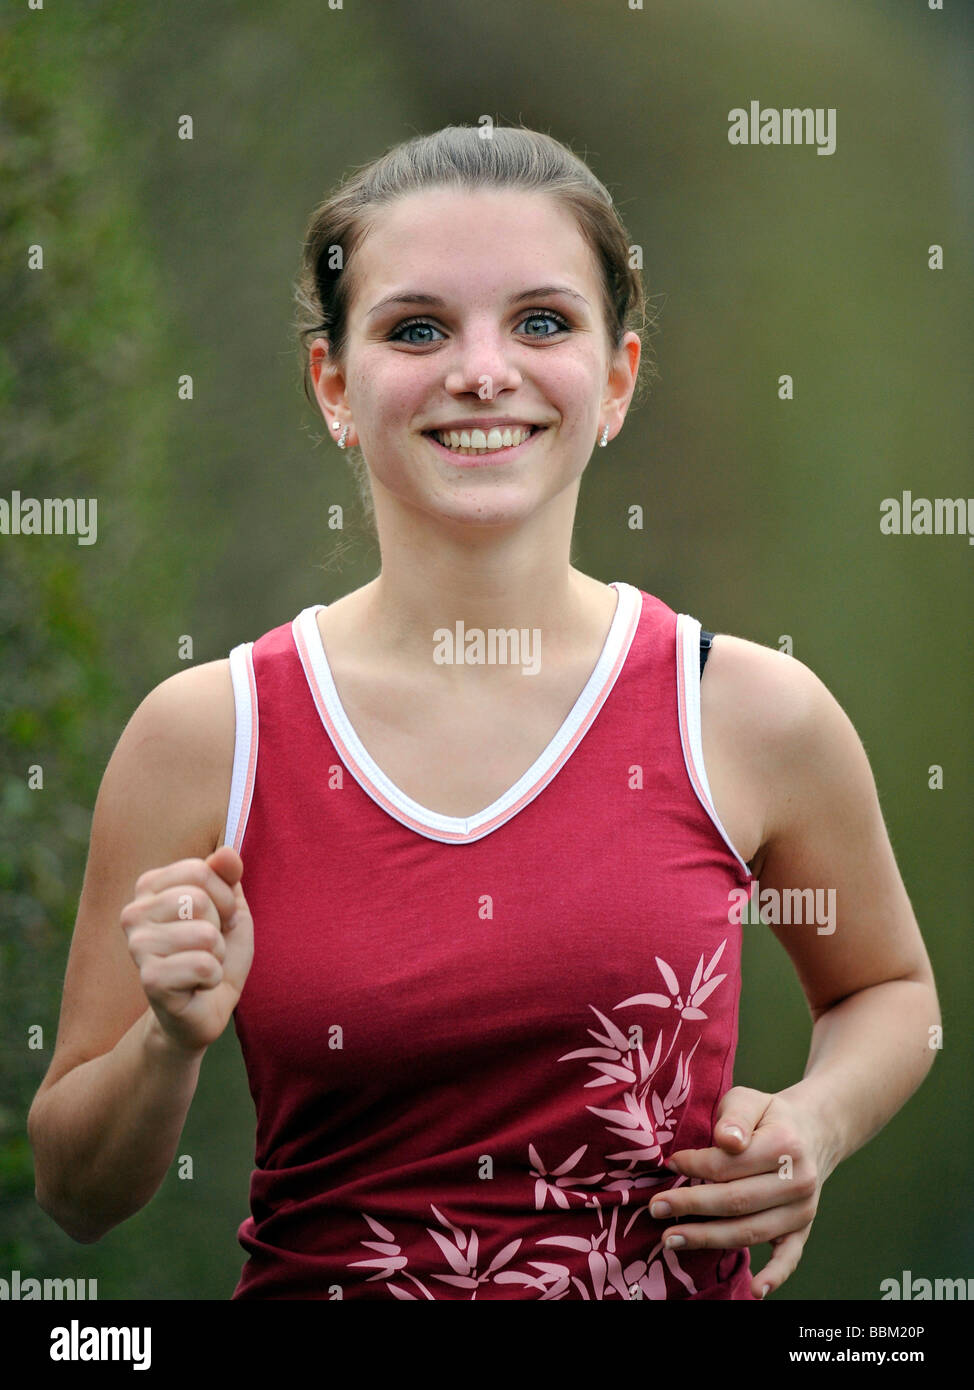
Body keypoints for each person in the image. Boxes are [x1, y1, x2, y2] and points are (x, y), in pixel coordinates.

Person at [27, 124, 939, 1301]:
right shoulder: (210, 734)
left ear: (616, 379)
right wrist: (168, 1040)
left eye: (541, 322)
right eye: (416, 329)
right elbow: (74, 1192)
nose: (481, 371)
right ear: (332, 385)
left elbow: (888, 993)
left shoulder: (749, 712)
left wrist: (814, 1123)